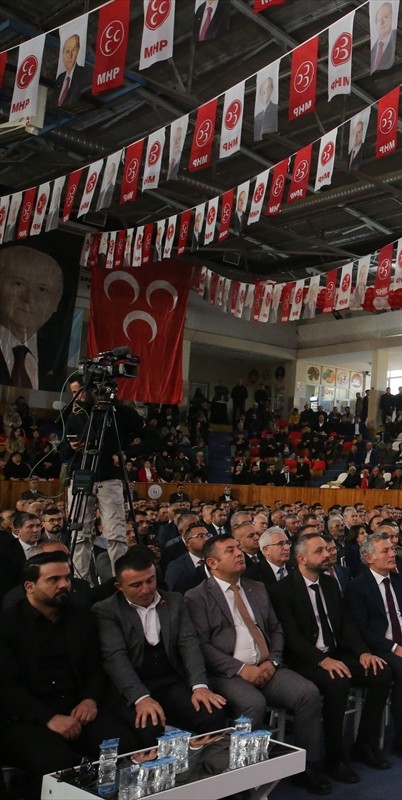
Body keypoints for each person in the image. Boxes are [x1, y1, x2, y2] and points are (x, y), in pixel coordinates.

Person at [184, 535, 329, 795]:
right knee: (254, 704)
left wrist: (272, 661)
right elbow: (202, 646)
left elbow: (276, 628)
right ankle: (243, 779)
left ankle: (308, 767)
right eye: (231, 550)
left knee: (307, 693)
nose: (239, 553)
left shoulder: (256, 587)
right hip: (228, 673)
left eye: (238, 548)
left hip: (267, 665)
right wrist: (241, 669)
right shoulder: (197, 597)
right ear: (212, 563)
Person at [0, 552, 138, 791]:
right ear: (29, 586)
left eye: (67, 578)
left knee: (126, 748)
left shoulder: (81, 617)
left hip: (78, 709)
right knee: (59, 767)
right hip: (27, 717)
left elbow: (95, 667)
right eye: (53, 580)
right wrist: (48, 718)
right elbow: (6, 687)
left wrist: (90, 699)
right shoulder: (8, 624)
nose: (64, 585)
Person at [270, 533, 394, 777]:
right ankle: (333, 756)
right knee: (337, 682)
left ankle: (364, 744)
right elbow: (291, 636)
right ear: (301, 559)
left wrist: (363, 653)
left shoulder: (329, 583)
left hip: (335, 653)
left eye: (326, 550)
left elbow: (346, 623)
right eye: (319, 551)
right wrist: (321, 660)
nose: (327, 555)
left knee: (381, 671)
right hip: (303, 660)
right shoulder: (282, 590)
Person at [94, 548, 226, 745]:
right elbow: (116, 658)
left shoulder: (173, 600)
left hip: (171, 679)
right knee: (149, 726)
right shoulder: (106, 610)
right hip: (133, 684)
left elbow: (188, 644)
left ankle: (207, 766)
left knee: (211, 713)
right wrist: (140, 698)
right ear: (119, 586)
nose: (146, 589)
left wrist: (199, 686)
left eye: (150, 580)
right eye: (136, 585)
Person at [61, 377, 144, 584]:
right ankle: (81, 582)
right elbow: (62, 452)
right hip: (81, 476)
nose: (77, 397)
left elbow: (152, 438)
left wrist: (126, 453)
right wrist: (70, 447)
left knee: (116, 535)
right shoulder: (74, 415)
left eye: (79, 391)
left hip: (108, 479)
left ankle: (121, 581)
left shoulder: (121, 414)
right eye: (73, 393)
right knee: (80, 535)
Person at [0, 246, 66, 390]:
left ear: (56, 302)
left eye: (42, 289)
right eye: (18, 283)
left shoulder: (57, 358)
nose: (29, 298)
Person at [55, 34, 91, 107]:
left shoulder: (83, 73)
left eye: (73, 50)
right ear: (63, 53)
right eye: (67, 52)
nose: (70, 56)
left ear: (78, 51)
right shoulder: (60, 78)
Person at [369, 1, 396, 74]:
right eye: (378, 20)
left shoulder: (398, 40)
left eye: (385, 17)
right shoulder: (370, 50)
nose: (381, 22)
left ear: (392, 18)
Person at [253, 75, 278, 141]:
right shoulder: (257, 116)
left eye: (265, 91)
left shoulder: (275, 108)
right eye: (262, 92)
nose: (263, 95)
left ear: (271, 91)